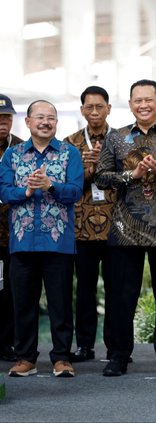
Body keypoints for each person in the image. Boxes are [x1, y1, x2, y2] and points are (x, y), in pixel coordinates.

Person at [94, 79, 156, 377]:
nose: (144, 105)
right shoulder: (117, 137)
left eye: (149, 99)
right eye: (138, 100)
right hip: (126, 228)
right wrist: (132, 173)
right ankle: (118, 355)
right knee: (121, 295)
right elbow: (101, 177)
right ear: (131, 104)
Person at [0, 100, 83, 377]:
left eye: (51, 118)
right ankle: (26, 358)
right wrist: (25, 191)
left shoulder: (69, 153)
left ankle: (61, 358)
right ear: (28, 122)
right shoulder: (12, 155)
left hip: (58, 242)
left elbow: (75, 191)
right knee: (23, 302)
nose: (45, 122)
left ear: (57, 123)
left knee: (60, 303)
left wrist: (50, 186)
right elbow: (4, 191)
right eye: (40, 117)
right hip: (22, 242)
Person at [63, 86, 116, 362]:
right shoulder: (69, 144)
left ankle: (116, 348)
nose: (94, 111)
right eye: (89, 107)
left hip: (116, 228)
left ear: (108, 108)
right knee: (84, 289)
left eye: (100, 106)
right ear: (82, 110)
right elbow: (64, 186)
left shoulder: (122, 140)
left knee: (117, 289)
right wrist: (84, 171)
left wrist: (102, 169)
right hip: (81, 228)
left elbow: (129, 178)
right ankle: (84, 345)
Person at [0, 94, 23, 363]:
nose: (3, 122)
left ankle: (8, 344)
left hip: (14, 232)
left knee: (11, 292)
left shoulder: (20, 148)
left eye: (6, 116)